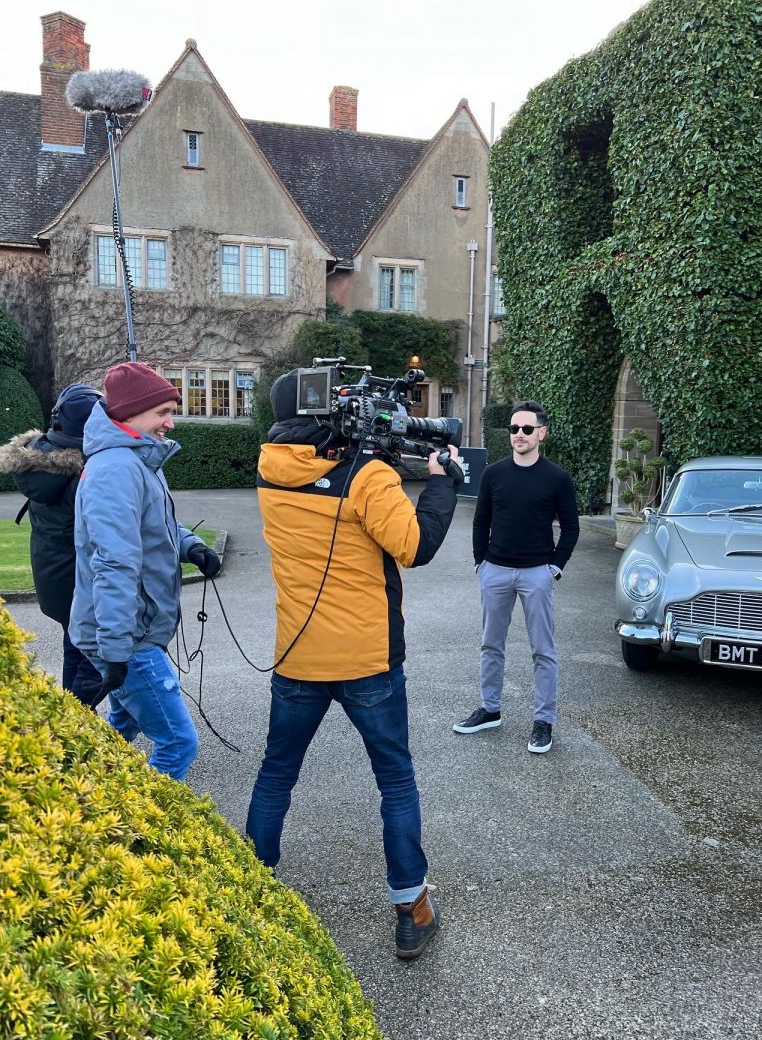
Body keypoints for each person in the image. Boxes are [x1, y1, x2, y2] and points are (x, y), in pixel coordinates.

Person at [246, 370, 459, 960]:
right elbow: (415, 547)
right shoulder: (366, 476)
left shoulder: (269, 470)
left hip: (298, 655)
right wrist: (441, 484)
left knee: (276, 774)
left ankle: (251, 893)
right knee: (395, 781)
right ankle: (412, 909)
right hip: (368, 660)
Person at [69, 362, 221, 781]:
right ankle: (132, 821)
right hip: (127, 637)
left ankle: (84, 795)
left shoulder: (138, 459)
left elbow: (157, 524)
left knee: (122, 728)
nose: (170, 422)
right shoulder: (116, 468)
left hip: (131, 631)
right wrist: (116, 650)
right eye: (162, 412)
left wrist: (191, 546)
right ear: (130, 414)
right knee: (178, 742)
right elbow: (114, 563)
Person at [454, 400, 579, 753]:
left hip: (537, 574)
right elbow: (481, 521)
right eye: (514, 428)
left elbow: (571, 527)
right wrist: (481, 564)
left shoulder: (557, 478)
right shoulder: (494, 474)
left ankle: (543, 721)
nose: (519, 435)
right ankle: (490, 710)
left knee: (543, 650)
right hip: (495, 571)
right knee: (491, 645)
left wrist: (554, 567)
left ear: (542, 433)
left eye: (526, 428)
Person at [0, 383, 103, 708]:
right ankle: (76, 722)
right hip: (78, 581)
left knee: (76, 650)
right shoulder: (83, 473)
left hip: (54, 577)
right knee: (93, 663)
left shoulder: (43, 462)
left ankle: (72, 716)